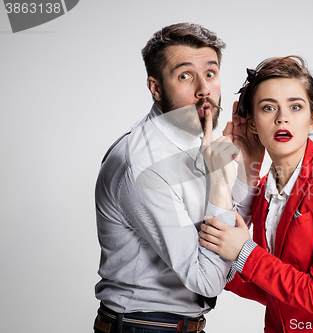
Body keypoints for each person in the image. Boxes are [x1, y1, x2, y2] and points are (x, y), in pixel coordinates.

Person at [93, 23, 262, 333]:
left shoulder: (195, 140)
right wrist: (219, 182)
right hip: (143, 326)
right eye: (185, 76)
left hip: (174, 325)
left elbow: (229, 230)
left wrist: (249, 161)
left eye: (210, 74)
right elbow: (207, 279)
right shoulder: (144, 164)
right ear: (155, 88)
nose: (204, 89)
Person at [199, 56, 313, 332]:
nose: (282, 118)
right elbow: (274, 288)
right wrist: (221, 265)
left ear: (312, 120)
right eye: (268, 108)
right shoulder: (264, 188)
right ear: (251, 124)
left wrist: (243, 252)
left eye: (295, 107)